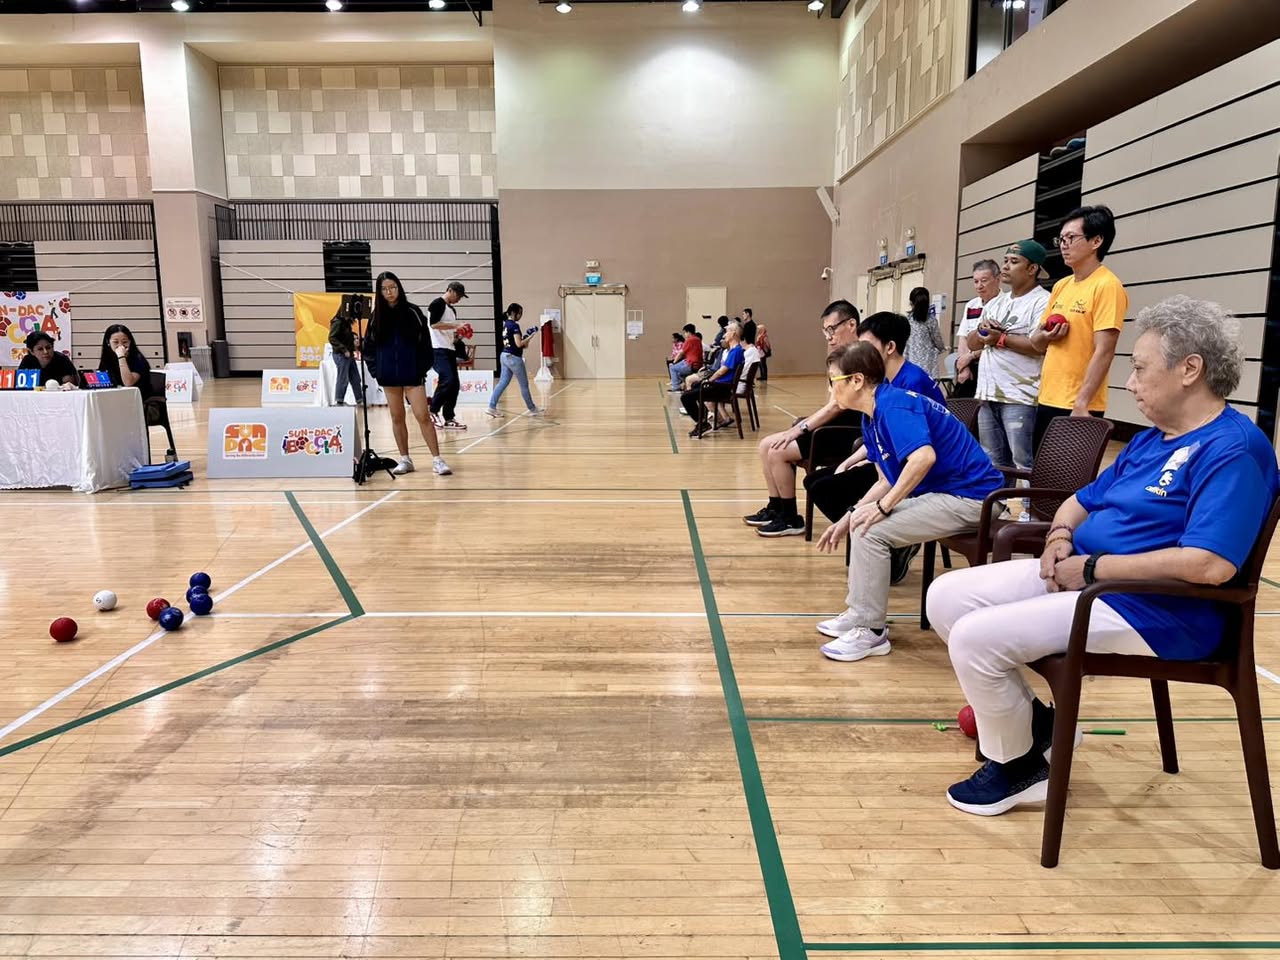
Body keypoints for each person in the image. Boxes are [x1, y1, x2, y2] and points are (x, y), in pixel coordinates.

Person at [928, 296, 1277, 817]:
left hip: (1156, 611)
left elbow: (1210, 565)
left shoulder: (1234, 450)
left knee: (979, 638)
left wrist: (1092, 569)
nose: (1130, 383)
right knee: (946, 598)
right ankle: (1039, 727)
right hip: (1092, 582)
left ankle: (1019, 767)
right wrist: (1058, 539)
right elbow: (1079, 501)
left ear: (1190, 369)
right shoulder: (1152, 441)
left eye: (1139, 369)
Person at [814, 342, 1002, 662]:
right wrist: (850, 514)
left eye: (834, 380)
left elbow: (923, 458)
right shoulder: (872, 414)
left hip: (973, 499)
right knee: (863, 522)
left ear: (856, 380)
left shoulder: (894, 406)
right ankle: (860, 612)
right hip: (947, 495)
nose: (830, 388)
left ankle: (872, 632)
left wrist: (884, 508)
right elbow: (886, 479)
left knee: (873, 531)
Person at [804, 312, 946, 581]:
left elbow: (922, 454)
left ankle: (897, 547)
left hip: (929, 476)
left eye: (867, 346)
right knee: (821, 484)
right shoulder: (877, 396)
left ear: (889, 347)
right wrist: (855, 464)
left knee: (846, 503)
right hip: (900, 466)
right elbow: (884, 447)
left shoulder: (904, 389)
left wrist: (880, 508)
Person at [743, 301, 861, 537]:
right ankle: (776, 507)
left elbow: (838, 407)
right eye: (825, 331)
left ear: (851, 324)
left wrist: (800, 429)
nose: (828, 336)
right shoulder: (841, 355)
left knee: (778, 450)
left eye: (832, 329)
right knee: (765, 444)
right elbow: (831, 404)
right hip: (835, 425)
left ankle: (791, 517)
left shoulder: (861, 357)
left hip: (849, 431)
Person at [1030, 205, 1126, 451]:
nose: (1063, 244)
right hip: (1047, 398)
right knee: (1040, 478)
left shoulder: (1107, 286)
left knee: (1068, 484)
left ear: (1096, 241)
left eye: (1071, 238)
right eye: (1060, 239)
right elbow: (1037, 344)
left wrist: (1082, 403)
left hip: (1078, 405)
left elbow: (1104, 350)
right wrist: (1045, 335)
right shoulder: (1062, 285)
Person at [968, 241, 1051, 479]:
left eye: (1014, 262)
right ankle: (997, 511)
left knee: (1022, 461)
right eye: (1005, 260)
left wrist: (1000, 338)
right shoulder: (995, 302)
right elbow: (974, 342)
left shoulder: (1042, 301)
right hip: (987, 394)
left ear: (1032, 268)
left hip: (1020, 396)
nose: (1005, 267)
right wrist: (983, 331)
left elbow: (1039, 346)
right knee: (992, 460)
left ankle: (1028, 512)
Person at [363, 271, 451, 477]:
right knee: (397, 417)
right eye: (384, 289)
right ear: (380, 292)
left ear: (399, 288)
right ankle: (405, 459)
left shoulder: (412, 312)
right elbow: (369, 347)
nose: (389, 292)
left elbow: (425, 344)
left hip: (412, 375)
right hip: (389, 377)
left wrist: (421, 368)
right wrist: (378, 371)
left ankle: (437, 460)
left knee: (423, 416)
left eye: (392, 287)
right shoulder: (376, 316)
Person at [683, 320, 744, 436]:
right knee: (693, 388)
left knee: (686, 397)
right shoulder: (734, 350)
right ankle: (702, 421)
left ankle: (702, 422)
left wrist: (708, 380)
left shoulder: (736, 351)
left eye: (726, 332)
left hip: (721, 388)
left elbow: (721, 372)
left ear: (734, 333)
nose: (724, 335)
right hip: (720, 386)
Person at [953, 260, 1002, 399]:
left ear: (998, 279)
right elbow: (963, 337)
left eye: (984, 281)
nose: (979, 286)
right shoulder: (971, 305)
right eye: (976, 281)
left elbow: (998, 341)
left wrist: (971, 356)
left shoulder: (1006, 304)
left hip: (993, 367)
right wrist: (964, 366)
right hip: (970, 368)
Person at [427, 280, 468, 430]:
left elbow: (448, 331)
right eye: (458, 295)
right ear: (451, 291)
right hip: (437, 349)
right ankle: (433, 411)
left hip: (449, 349)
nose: (459, 299)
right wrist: (456, 325)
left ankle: (449, 417)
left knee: (454, 385)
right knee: (447, 379)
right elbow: (434, 324)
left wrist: (460, 335)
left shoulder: (451, 310)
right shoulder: (437, 303)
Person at [487, 302, 540, 419]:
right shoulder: (514, 326)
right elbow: (519, 344)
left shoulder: (506, 324)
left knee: (502, 382)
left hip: (504, 355)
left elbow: (518, 344)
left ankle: (491, 406)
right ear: (514, 313)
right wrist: (530, 336)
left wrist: (525, 337)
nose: (521, 316)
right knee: (524, 385)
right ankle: (532, 409)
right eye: (520, 313)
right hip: (514, 358)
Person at [328, 293, 366, 407]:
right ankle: (339, 401)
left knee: (355, 378)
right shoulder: (338, 322)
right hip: (341, 355)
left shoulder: (346, 323)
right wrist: (344, 349)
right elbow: (332, 338)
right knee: (343, 378)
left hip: (349, 354)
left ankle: (360, 400)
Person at [98, 324, 155, 399]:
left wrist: (121, 357)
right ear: (108, 342)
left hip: (137, 399)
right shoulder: (107, 358)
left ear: (130, 342)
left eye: (124, 342)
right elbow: (103, 382)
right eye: (116, 342)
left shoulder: (138, 359)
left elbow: (128, 382)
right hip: (115, 397)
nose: (120, 346)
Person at [904, 286, 945, 379]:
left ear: (911, 303)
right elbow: (937, 340)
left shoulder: (906, 320)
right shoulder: (930, 320)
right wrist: (942, 348)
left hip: (909, 362)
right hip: (928, 364)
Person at [669, 322, 703, 391]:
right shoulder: (698, 339)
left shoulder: (689, 340)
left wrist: (674, 362)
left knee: (672, 368)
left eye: (685, 333)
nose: (684, 335)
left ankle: (676, 387)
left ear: (688, 332)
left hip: (690, 363)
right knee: (679, 372)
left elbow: (681, 353)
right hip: (697, 363)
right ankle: (685, 385)